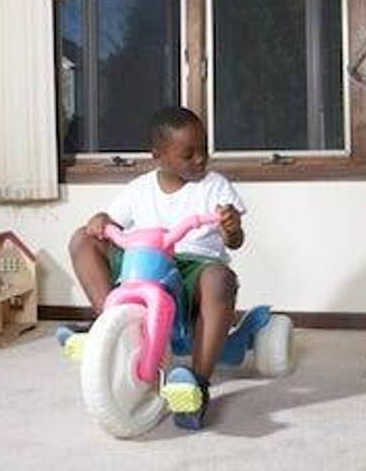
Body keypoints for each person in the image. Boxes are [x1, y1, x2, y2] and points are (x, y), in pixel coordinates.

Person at [59, 106, 246, 430]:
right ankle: (111, 326)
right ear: (158, 156)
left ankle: (196, 385)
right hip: (145, 262)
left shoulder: (215, 187)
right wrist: (101, 221)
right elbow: (110, 223)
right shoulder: (139, 189)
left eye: (204, 150)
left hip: (193, 267)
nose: (200, 160)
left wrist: (231, 227)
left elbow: (235, 242)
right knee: (82, 240)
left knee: (220, 279)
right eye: (189, 154)